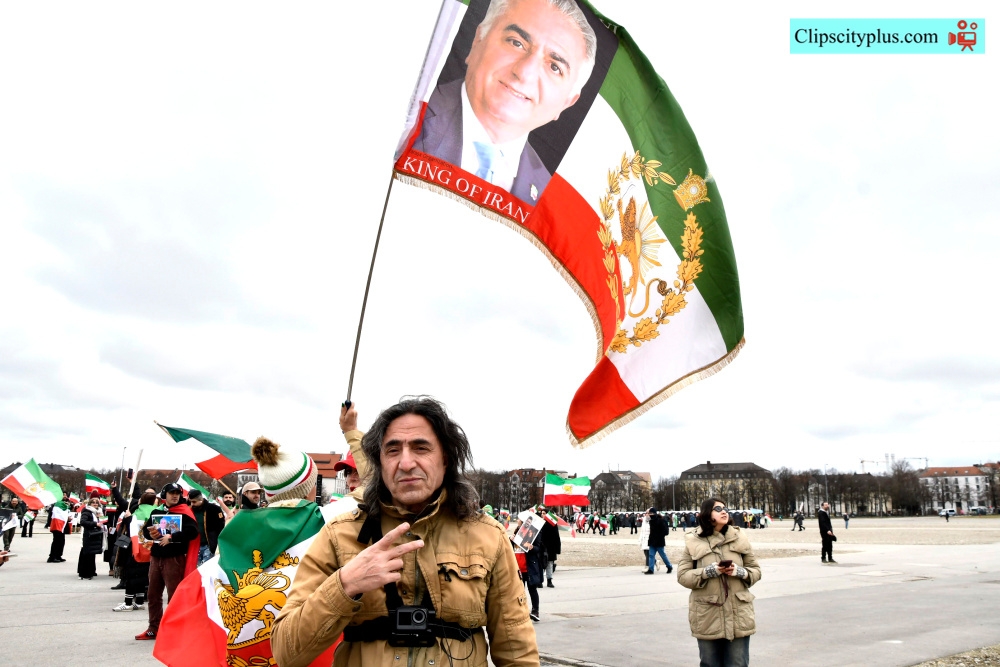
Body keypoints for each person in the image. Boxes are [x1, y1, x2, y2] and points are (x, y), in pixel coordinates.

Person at [272, 396, 538, 667]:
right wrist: (345, 585)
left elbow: (518, 655)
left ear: (445, 458)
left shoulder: (488, 536)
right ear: (379, 462)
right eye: (393, 450)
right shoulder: (339, 535)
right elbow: (286, 652)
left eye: (421, 448)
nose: (406, 463)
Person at [412, 0, 597, 204]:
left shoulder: (551, 201)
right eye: (516, 43)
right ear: (477, 41)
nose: (524, 73)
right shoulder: (407, 110)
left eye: (554, 67)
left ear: (567, 102)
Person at [677, 499, 761, 667]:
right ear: (707, 514)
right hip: (708, 614)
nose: (724, 511)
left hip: (738, 613)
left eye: (725, 509)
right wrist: (707, 572)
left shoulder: (740, 537)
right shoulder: (693, 540)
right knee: (710, 663)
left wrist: (740, 572)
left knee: (738, 663)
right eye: (718, 509)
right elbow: (682, 576)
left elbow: (756, 570)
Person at [135, 483, 199, 640]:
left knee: (174, 596)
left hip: (174, 558)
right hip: (156, 557)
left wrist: (172, 537)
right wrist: (152, 534)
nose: (175, 495)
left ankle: (176, 629)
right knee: (153, 594)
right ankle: (154, 628)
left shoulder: (185, 512)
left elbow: (193, 531)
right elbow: (146, 531)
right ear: (165, 494)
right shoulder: (157, 512)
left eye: (177, 493)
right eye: (172, 493)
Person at [112, 491, 156, 612]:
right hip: (150, 549)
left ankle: (128, 603)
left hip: (137, 549)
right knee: (143, 576)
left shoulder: (136, 513)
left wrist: (128, 518)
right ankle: (139, 601)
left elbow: (132, 530)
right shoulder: (155, 511)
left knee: (132, 575)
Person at [187, 489, 225, 565]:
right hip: (194, 546)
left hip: (209, 545)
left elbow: (221, 527)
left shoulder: (214, 509)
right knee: (196, 569)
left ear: (200, 500)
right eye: (190, 502)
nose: (192, 504)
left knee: (206, 568)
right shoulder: (189, 510)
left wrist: (216, 544)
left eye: (194, 502)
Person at [77, 495, 107, 579]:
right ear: (90, 504)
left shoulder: (99, 512)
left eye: (97, 503)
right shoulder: (87, 511)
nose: (95, 504)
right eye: (93, 502)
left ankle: (91, 571)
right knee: (87, 554)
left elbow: (103, 521)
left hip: (96, 534)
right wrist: (95, 524)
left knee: (92, 553)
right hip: (89, 534)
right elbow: (83, 522)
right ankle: (84, 573)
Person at [644, 507, 672, 575]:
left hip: (659, 541)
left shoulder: (661, 521)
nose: (649, 514)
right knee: (651, 555)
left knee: (663, 555)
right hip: (653, 541)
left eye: (651, 513)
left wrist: (659, 535)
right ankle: (651, 569)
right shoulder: (651, 521)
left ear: (654, 513)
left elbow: (665, 532)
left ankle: (669, 566)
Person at [538, 504, 561, 587]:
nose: (542, 515)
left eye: (544, 513)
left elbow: (556, 536)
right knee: (540, 564)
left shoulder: (552, 524)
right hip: (541, 547)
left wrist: (557, 548)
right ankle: (540, 581)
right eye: (541, 513)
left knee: (549, 564)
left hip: (550, 547)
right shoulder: (539, 523)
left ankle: (549, 580)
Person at [46, 493, 71, 563]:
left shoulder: (64, 503)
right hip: (57, 524)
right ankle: (52, 557)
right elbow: (60, 513)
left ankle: (58, 555)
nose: (65, 496)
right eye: (63, 495)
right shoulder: (58, 503)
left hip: (62, 524)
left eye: (65, 495)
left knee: (61, 541)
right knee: (56, 541)